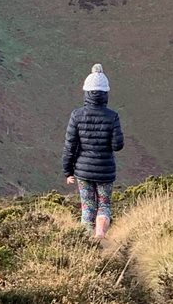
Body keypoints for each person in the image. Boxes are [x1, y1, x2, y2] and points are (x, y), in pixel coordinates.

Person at [62, 63, 125, 239]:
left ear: (87, 92)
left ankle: (88, 245)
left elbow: (70, 145)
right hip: (105, 171)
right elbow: (117, 145)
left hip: (82, 171)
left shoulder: (77, 115)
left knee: (87, 208)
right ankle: (100, 234)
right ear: (105, 93)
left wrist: (68, 171)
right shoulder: (112, 116)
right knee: (104, 205)